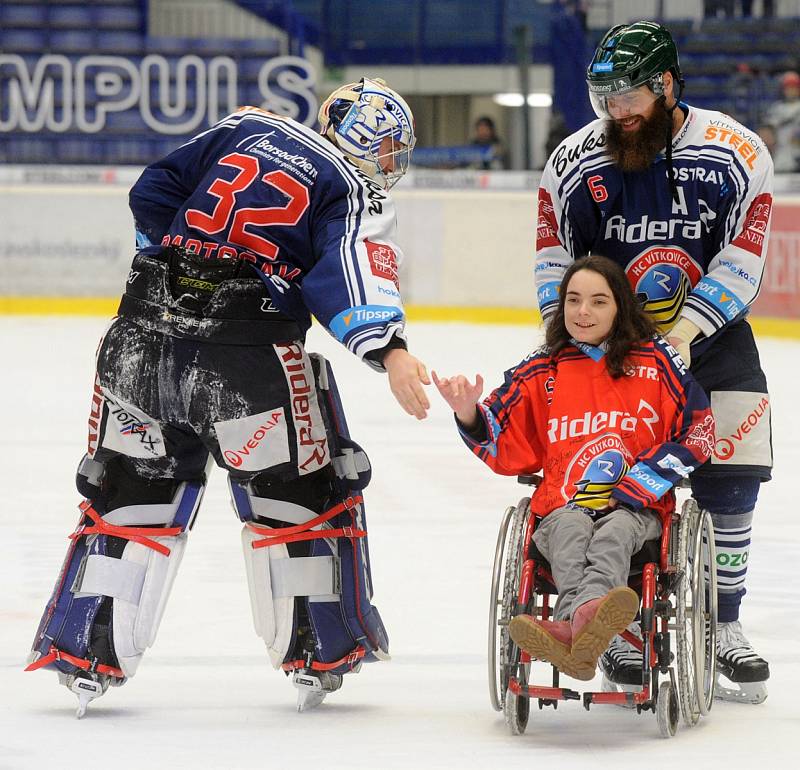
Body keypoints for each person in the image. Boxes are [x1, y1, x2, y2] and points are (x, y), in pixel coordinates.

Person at [25, 77, 431, 716]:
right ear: (368, 140)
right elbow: (348, 269)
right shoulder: (352, 188)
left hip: (139, 341)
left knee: (131, 494)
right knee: (299, 495)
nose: (389, 164)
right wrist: (389, 347)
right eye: (389, 149)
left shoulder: (246, 127)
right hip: (246, 362)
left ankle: (88, 650)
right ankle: (316, 650)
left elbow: (152, 190)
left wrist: (189, 258)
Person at [535, 21, 773, 703]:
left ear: (668, 84)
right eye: (605, 98)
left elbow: (743, 257)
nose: (618, 112)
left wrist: (689, 329)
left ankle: (724, 625)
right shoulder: (574, 161)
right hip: (614, 356)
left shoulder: (737, 151)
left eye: (630, 96)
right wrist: (575, 340)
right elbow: (554, 258)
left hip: (715, 342)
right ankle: (629, 628)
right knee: (619, 487)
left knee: (733, 480)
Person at [434, 255, 714, 680]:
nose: (583, 312)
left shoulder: (657, 362)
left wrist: (644, 480)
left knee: (616, 531)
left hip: (635, 511)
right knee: (568, 529)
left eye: (599, 301)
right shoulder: (542, 366)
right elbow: (501, 432)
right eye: (573, 300)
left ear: (620, 306)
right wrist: (468, 412)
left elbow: (699, 430)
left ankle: (572, 628)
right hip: (563, 507)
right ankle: (586, 625)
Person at [763, 71, 800, 172]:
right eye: (788, 88)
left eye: (794, 87)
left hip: (797, 152)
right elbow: (767, 132)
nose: (791, 91)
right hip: (780, 153)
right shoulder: (777, 108)